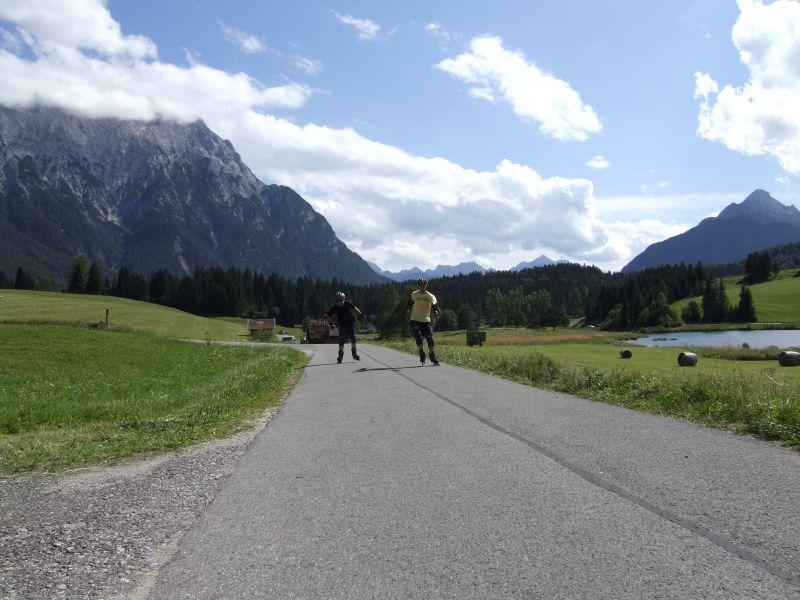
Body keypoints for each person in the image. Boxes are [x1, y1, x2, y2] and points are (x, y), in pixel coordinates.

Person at [406, 278, 440, 365]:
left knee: (430, 339)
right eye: (421, 285)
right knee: (419, 337)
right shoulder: (414, 294)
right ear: (419, 286)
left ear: (426, 285)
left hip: (425, 320)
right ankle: (422, 353)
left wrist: (436, 313)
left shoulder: (430, 296)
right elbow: (410, 302)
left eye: (424, 285)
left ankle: (432, 356)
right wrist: (408, 308)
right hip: (415, 320)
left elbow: (435, 306)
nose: (422, 287)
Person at [325, 291, 364, 364]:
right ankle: (340, 355)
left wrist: (361, 315)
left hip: (350, 323)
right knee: (342, 339)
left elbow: (355, 308)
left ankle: (354, 353)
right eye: (338, 300)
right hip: (342, 325)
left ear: (344, 299)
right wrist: (330, 324)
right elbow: (328, 315)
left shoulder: (347, 303)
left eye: (341, 300)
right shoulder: (335, 307)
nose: (339, 302)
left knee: (353, 338)